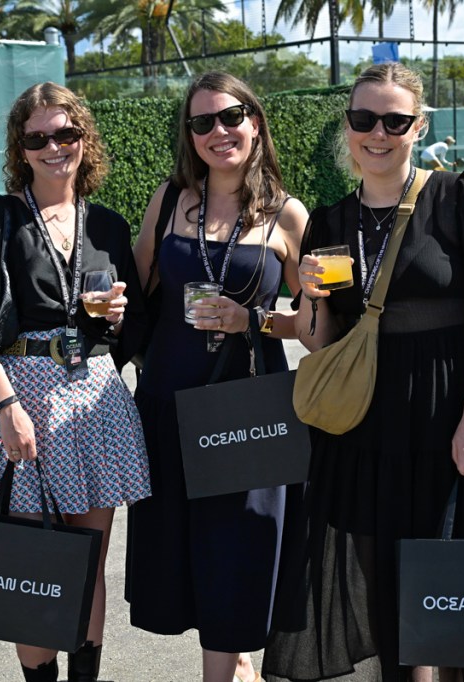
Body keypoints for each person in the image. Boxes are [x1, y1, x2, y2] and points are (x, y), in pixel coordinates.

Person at [262, 62, 464, 682]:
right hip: (364, 432)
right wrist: (309, 298)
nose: (376, 133)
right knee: (390, 606)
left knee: (454, 603)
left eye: (394, 120)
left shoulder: (459, 197)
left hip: (446, 421)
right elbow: (317, 342)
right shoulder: (329, 221)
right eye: (363, 119)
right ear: (348, 125)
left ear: (419, 126)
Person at [0, 82, 151, 682]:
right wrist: (6, 406)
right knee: (33, 560)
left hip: (94, 399)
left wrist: (117, 318)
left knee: (87, 563)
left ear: (85, 140)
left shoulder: (105, 222)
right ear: (21, 149)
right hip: (20, 397)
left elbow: (129, 327)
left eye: (66, 134)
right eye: (38, 137)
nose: (55, 146)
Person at [124, 71, 309, 682]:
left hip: (247, 411)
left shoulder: (286, 213)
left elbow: (317, 326)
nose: (218, 132)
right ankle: (236, 664)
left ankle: (226, 668)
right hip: (170, 404)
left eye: (231, 117)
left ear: (255, 121)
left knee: (241, 548)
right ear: (190, 134)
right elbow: (139, 296)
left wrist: (251, 318)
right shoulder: (169, 199)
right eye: (202, 122)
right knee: (181, 550)